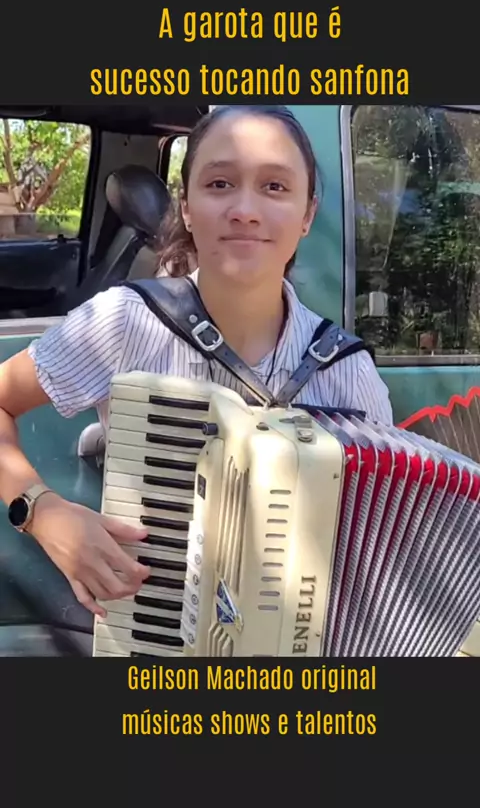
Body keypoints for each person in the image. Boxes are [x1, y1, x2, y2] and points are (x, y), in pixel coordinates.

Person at [0, 105, 393, 617]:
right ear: (186, 207)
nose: (245, 210)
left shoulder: (348, 372)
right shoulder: (126, 321)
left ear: (307, 215)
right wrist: (42, 512)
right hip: (153, 632)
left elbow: (377, 546)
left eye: (275, 187)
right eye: (220, 184)